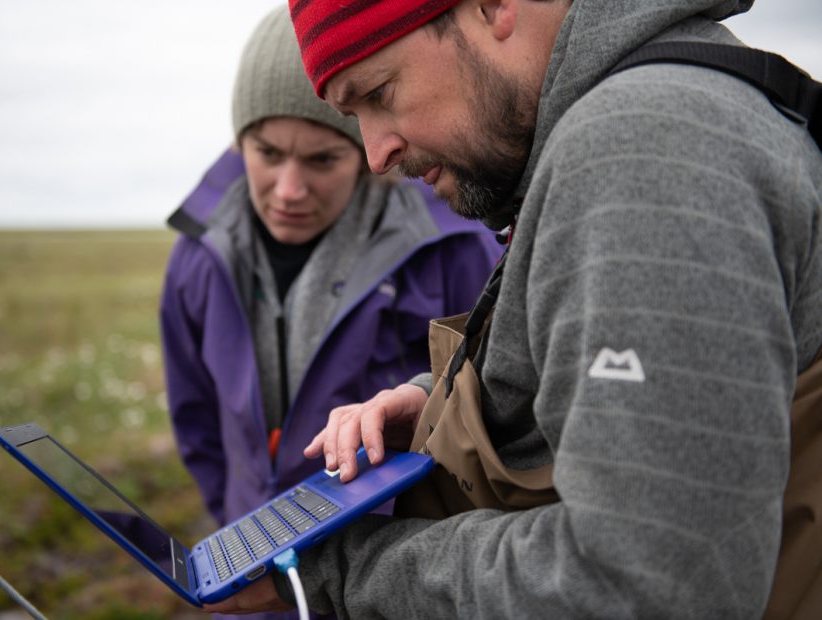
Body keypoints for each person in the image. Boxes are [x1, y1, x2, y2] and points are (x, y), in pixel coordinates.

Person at [205, 0, 822, 618]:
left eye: (380, 93)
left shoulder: (644, 149)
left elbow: (642, 587)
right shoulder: (657, 110)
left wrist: (342, 568)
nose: (376, 154)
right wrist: (439, 409)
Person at [159, 6, 500, 617]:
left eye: (322, 160)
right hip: (254, 588)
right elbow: (197, 421)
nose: (289, 189)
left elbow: (491, 418)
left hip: (391, 589)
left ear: (368, 153)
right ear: (240, 144)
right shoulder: (198, 258)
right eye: (266, 153)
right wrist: (238, 534)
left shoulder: (457, 247)